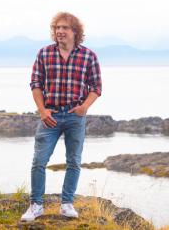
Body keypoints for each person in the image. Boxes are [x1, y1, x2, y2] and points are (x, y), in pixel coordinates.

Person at [21, 12, 102, 221]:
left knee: (73, 161)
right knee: (39, 161)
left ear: (75, 32)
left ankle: (67, 204)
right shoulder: (44, 53)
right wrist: (42, 110)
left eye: (65, 28)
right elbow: (35, 84)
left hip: (76, 116)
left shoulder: (88, 56)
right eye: (57, 28)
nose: (60, 31)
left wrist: (84, 107)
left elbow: (96, 87)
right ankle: (36, 205)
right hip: (51, 116)